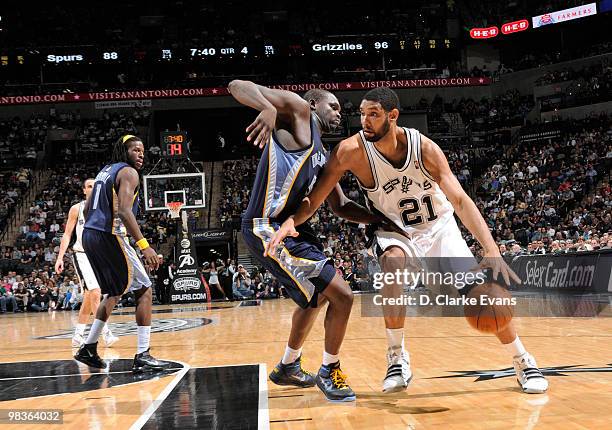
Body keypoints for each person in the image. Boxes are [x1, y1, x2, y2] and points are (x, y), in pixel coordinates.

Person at [267, 87, 548, 395]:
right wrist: (291, 221)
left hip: (439, 229)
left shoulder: (424, 148)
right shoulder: (351, 151)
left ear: (393, 116)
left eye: (373, 115)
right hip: (395, 231)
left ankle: (523, 360)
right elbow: (316, 197)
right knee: (393, 264)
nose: (365, 121)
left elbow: (460, 200)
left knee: (485, 298)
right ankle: (396, 357)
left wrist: (491, 248)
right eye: (362, 114)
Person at [228, 80, 378, 401]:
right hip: (266, 226)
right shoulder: (298, 112)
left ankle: (288, 365)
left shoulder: (323, 154)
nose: (339, 113)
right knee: (343, 296)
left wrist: (379, 218)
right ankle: (329, 369)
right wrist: (268, 107)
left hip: (292, 230)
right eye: (333, 106)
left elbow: (340, 206)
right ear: (313, 104)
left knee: (316, 298)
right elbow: (236, 85)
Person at [74, 134, 166, 373]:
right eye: (136, 150)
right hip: (109, 234)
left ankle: (88, 347)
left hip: (90, 234)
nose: (141, 154)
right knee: (144, 289)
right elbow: (125, 211)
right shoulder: (128, 172)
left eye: (143, 150)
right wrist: (145, 246)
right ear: (124, 152)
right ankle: (143, 354)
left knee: (113, 292)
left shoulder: (105, 171)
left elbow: (86, 207)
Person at [56, 178, 119, 346]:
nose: (93, 188)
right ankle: (105, 333)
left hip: (99, 256)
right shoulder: (76, 209)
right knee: (96, 292)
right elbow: (67, 235)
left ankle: (78, 335)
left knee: (89, 296)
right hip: (82, 254)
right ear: (84, 190)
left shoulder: (105, 209)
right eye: (89, 186)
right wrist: (60, 257)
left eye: (95, 186)